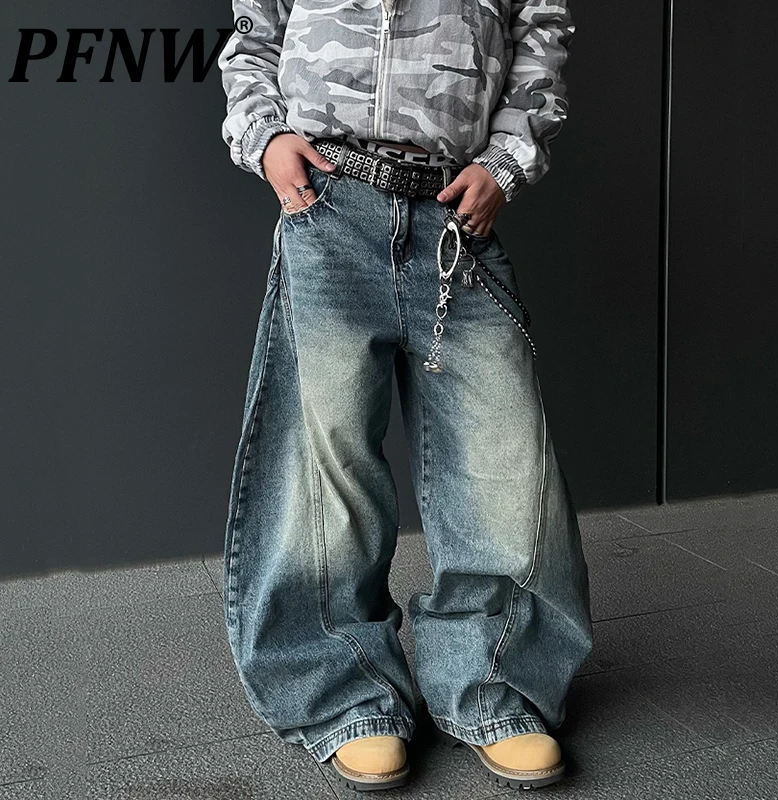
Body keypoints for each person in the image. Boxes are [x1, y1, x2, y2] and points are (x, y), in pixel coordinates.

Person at [217, 0, 592, 791]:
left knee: (501, 462)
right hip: (327, 202)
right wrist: (265, 138)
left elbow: (541, 32)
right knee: (324, 464)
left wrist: (507, 160)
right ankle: (344, 694)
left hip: (455, 215)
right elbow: (254, 30)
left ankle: (496, 682)